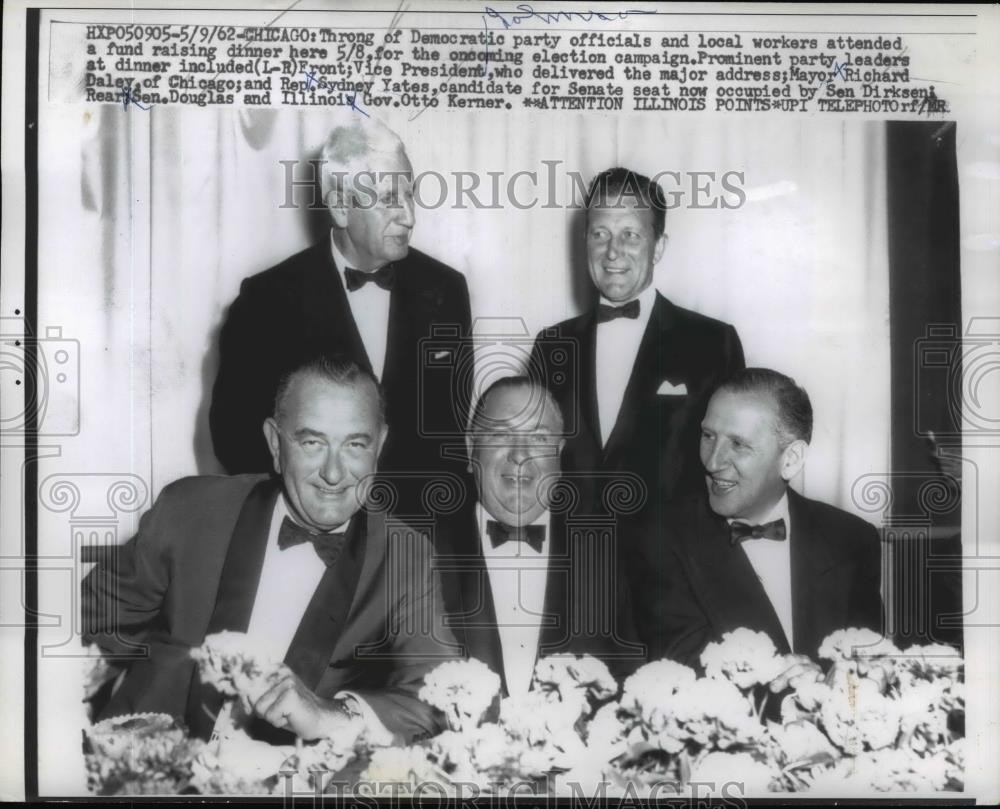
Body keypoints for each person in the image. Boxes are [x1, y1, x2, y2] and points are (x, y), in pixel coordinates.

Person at [83, 355, 459, 743]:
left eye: (354, 445)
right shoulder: (189, 511)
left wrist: (330, 714)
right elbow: (80, 631)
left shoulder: (406, 554)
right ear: (275, 444)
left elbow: (439, 696)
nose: (333, 473)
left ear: (379, 446)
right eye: (312, 442)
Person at [209, 115, 472, 517]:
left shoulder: (446, 290)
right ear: (340, 206)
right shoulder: (266, 300)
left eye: (410, 194)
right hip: (311, 537)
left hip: (413, 540)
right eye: (388, 199)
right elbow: (235, 438)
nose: (409, 216)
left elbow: (449, 436)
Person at [628, 368, 885, 669]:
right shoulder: (660, 540)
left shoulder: (852, 540)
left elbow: (865, 668)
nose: (712, 462)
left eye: (738, 444)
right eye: (708, 436)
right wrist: (799, 685)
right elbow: (683, 670)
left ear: (791, 460)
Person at [530, 167, 744, 520]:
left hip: (674, 568)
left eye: (630, 234)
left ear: (659, 246)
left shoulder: (713, 343)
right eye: (600, 233)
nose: (612, 252)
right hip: (573, 564)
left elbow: (735, 468)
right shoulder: (550, 344)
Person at [434, 376, 643, 699]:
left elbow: (631, 684)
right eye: (501, 434)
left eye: (538, 438)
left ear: (559, 456)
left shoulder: (605, 556)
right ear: (470, 448)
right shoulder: (421, 553)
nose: (520, 455)